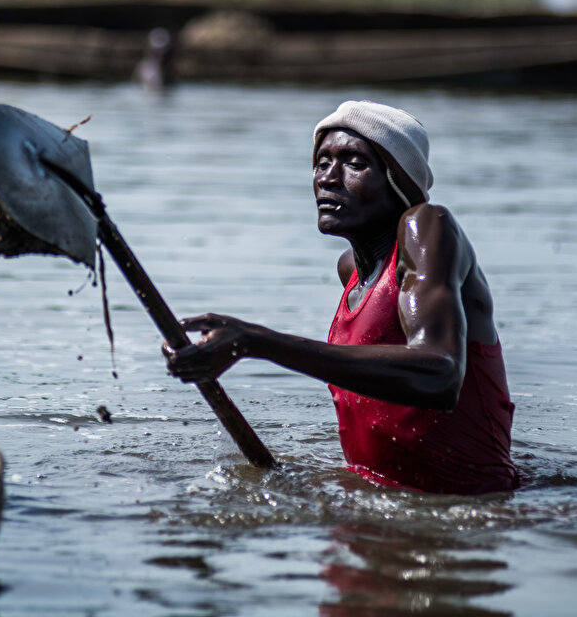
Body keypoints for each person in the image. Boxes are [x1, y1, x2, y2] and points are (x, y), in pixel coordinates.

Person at [162, 101, 519, 494]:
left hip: (469, 509)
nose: (328, 178)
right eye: (321, 163)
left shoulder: (427, 226)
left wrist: (254, 342)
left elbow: (441, 374)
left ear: (398, 181)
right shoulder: (350, 271)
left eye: (354, 163)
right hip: (377, 501)